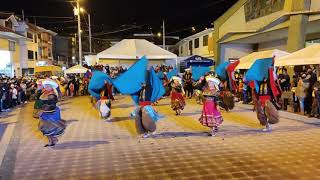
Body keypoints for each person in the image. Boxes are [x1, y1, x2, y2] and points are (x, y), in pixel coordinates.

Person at [38, 80, 66, 147]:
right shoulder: (45, 92)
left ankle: (53, 139)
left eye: (48, 85)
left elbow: (51, 105)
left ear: (51, 86)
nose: (46, 86)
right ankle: (51, 141)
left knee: (49, 128)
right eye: (46, 85)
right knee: (46, 128)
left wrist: (42, 111)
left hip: (51, 113)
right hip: (46, 112)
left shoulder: (52, 95)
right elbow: (39, 96)